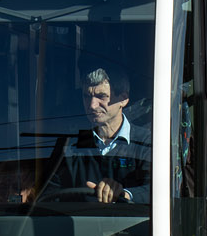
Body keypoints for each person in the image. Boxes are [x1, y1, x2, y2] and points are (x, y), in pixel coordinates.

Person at [46, 65, 151, 204]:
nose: (92, 105)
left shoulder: (146, 141)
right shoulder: (70, 145)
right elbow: (49, 194)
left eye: (101, 96)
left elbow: (157, 190)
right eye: (86, 96)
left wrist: (125, 195)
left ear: (123, 99)